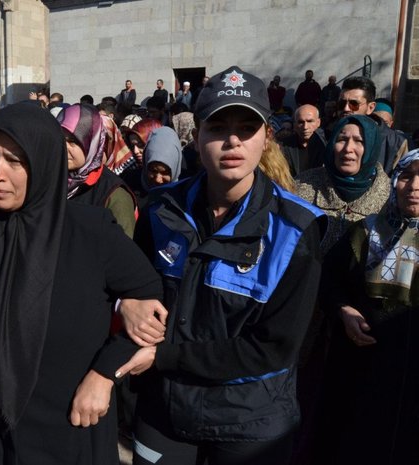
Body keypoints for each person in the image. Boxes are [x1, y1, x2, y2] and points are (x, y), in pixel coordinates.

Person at [0, 101, 162, 465]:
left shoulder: (90, 232)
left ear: (45, 163)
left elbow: (150, 299)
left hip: (67, 429)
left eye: (15, 161)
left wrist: (104, 375)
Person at [123, 65, 325, 465]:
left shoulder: (296, 229)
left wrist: (165, 357)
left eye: (246, 128)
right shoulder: (161, 207)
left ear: (266, 137)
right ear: (196, 136)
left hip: (249, 422)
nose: (232, 139)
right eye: (217, 127)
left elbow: (274, 349)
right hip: (165, 412)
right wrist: (126, 304)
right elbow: (130, 282)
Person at [316, 150, 419, 465]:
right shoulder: (365, 233)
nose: (414, 186)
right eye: (406, 176)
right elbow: (327, 280)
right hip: (361, 368)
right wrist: (343, 310)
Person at [296, 115, 391, 254]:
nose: (348, 148)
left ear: (372, 147)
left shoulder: (391, 197)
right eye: (342, 139)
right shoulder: (301, 186)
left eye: (359, 141)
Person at [57, 103, 138, 236]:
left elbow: (121, 251)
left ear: (92, 143)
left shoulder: (114, 195)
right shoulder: (52, 179)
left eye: (73, 140)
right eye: (60, 138)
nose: (64, 147)